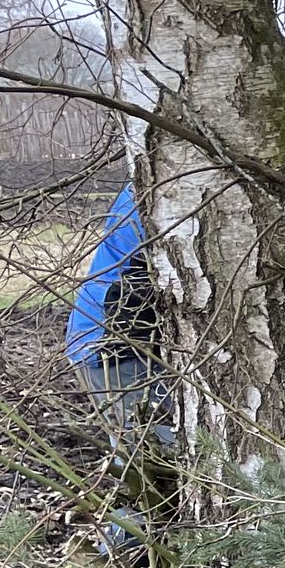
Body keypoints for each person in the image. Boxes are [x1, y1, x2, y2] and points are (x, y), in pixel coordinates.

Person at [65, 184, 174, 549]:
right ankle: (118, 561)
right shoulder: (164, 189)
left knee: (143, 458)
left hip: (102, 335)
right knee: (152, 461)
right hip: (111, 346)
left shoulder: (153, 177)